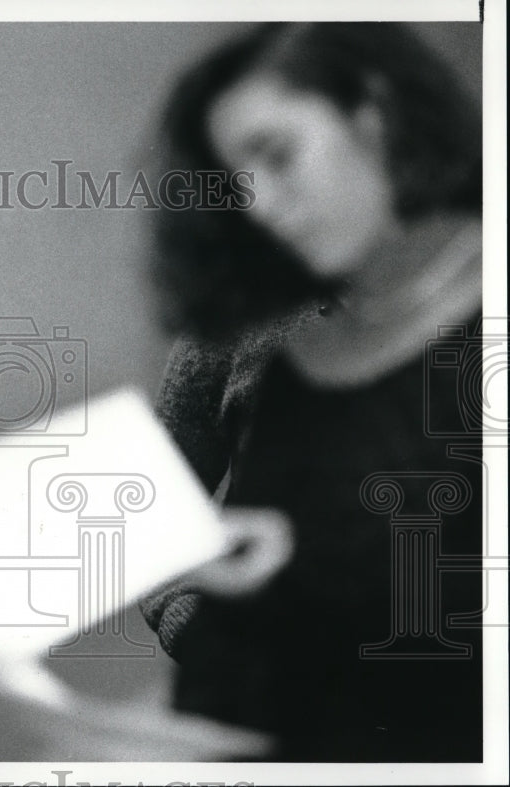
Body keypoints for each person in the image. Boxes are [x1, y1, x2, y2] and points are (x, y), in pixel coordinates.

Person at [139, 23, 483, 761]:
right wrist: (203, 637)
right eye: (237, 181)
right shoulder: (251, 330)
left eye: (276, 153)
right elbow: (156, 517)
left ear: (376, 116)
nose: (260, 206)